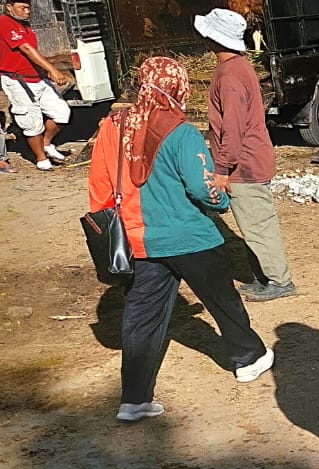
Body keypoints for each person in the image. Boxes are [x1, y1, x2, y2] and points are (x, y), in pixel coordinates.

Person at [88, 57, 275, 423]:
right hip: (190, 237)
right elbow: (203, 188)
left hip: (139, 240)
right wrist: (221, 200)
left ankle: (134, 399)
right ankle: (248, 359)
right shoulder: (181, 130)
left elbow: (99, 185)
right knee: (223, 301)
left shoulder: (113, 126)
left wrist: (117, 223)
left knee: (141, 316)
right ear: (179, 87)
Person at [195, 8, 297, 302]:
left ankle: (279, 281)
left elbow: (234, 126)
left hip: (245, 164)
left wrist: (222, 167)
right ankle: (265, 277)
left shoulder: (229, 76)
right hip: (248, 159)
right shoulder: (237, 67)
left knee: (258, 224)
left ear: (213, 39)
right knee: (253, 223)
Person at [1, 0, 73, 171]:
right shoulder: (5, 22)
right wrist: (53, 69)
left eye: (28, 7)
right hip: (18, 80)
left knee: (61, 112)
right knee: (31, 120)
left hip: (37, 78)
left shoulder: (26, 26)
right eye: (22, 8)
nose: (27, 11)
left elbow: (33, 52)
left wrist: (44, 69)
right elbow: (25, 48)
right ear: (9, 7)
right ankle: (41, 159)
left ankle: (46, 143)